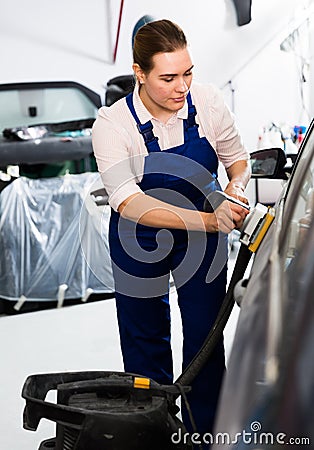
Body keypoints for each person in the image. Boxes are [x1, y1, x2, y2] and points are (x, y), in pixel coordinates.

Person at [92, 19, 251, 446]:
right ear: (139, 72)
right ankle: (155, 432)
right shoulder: (113, 123)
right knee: (144, 338)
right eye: (168, 77)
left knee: (205, 338)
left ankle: (206, 433)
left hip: (204, 239)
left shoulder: (208, 101)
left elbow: (237, 160)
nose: (182, 87)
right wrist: (208, 219)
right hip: (139, 237)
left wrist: (234, 190)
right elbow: (129, 201)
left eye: (187, 73)